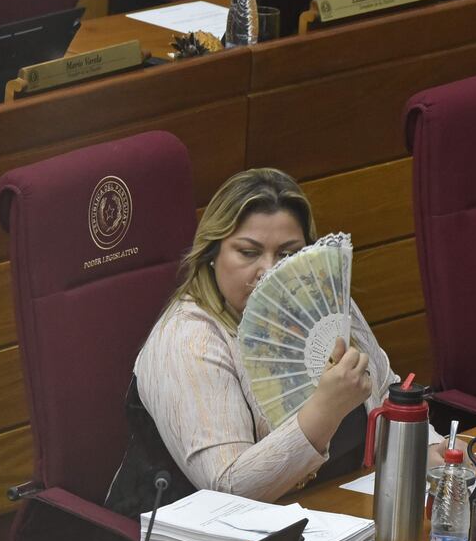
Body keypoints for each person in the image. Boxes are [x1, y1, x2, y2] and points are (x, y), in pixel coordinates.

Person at [108, 167, 447, 519]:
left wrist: (433, 448)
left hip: (333, 514)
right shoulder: (189, 339)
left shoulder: (324, 302)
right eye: (248, 252)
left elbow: (387, 389)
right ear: (212, 254)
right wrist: (324, 410)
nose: (269, 271)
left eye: (288, 255)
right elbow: (228, 488)